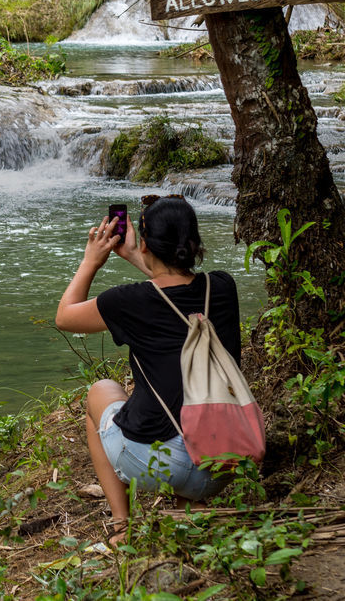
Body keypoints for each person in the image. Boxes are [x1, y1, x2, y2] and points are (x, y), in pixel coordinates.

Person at [55, 195, 242, 547]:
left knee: (101, 391)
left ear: (145, 242)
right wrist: (135, 255)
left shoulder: (128, 302)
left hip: (153, 464)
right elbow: (178, 287)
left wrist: (91, 261)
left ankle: (122, 526)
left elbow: (65, 316)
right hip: (220, 465)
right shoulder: (223, 288)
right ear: (194, 243)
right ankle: (191, 503)